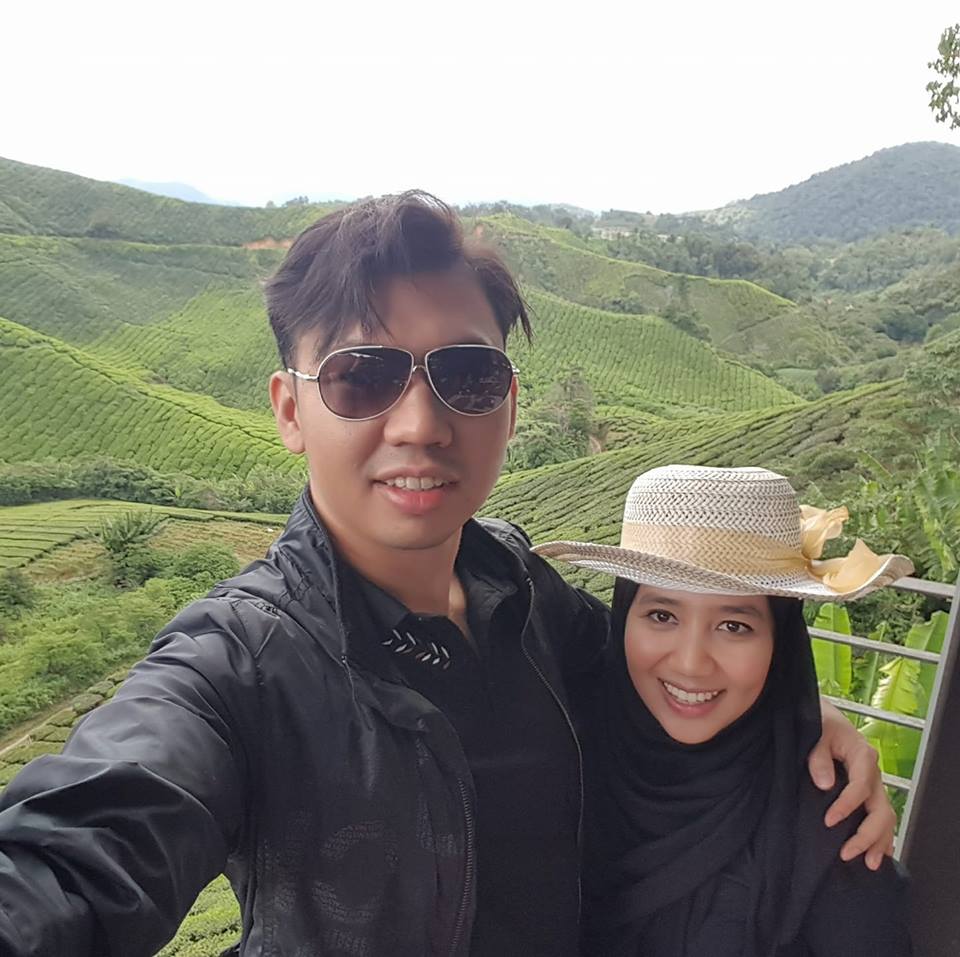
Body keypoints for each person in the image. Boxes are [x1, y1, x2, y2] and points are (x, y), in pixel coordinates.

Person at [0, 194, 893, 957]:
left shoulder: (521, 588)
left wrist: (796, 715)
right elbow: (85, 849)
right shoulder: (239, 665)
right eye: (362, 377)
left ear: (508, 405)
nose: (421, 424)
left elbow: (663, 665)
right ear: (290, 410)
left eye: (467, 374)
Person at [534, 463, 914, 956]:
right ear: (624, 616)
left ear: (780, 643)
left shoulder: (831, 821)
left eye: (734, 626)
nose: (691, 663)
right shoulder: (560, 747)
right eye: (662, 615)